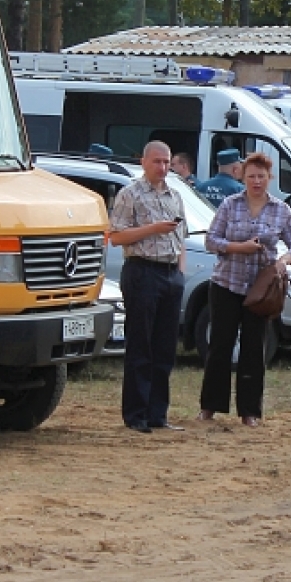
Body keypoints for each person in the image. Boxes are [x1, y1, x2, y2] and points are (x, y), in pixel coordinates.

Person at [200, 152, 291, 427]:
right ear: (241, 177)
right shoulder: (229, 204)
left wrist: (283, 262)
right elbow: (211, 240)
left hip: (261, 288)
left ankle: (250, 412)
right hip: (226, 282)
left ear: (269, 178)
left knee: (253, 348)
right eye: (251, 176)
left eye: (261, 176)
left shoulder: (281, 209)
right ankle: (210, 407)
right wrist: (238, 247)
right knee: (220, 345)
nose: (256, 181)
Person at [108, 141, 189, 433]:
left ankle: (158, 413)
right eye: (157, 161)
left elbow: (182, 237)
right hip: (143, 270)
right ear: (143, 162)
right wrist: (153, 229)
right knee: (140, 345)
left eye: (167, 162)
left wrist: (180, 271)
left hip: (169, 273)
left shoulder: (175, 196)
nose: (163, 168)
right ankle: (136, 414)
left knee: (164, 347)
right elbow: (116, 237)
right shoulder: (130, 194)